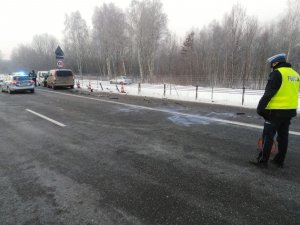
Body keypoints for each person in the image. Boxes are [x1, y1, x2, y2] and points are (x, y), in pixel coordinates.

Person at [251, 53, 300, 168]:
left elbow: (269, 93)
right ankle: (279, 160)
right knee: (283, 137)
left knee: (268, 136)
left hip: (275, 111)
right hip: (289, 111)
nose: (271, 66)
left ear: (276, 63)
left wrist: (260, 109)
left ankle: (263, 161)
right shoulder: (295, 74)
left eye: (272, 64)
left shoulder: (277, 73)